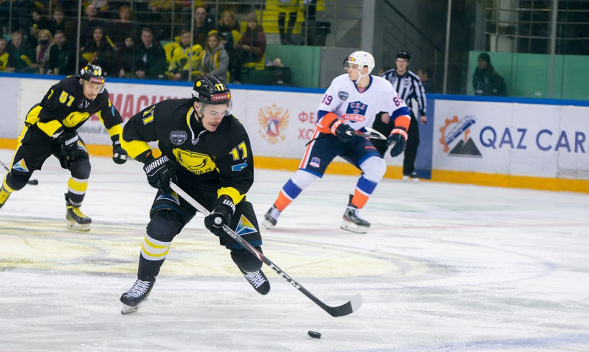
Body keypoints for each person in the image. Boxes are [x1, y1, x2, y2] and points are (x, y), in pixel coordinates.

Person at [118, 74, 270, 313]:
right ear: (197, 105)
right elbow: (128, 134)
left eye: (223, 111)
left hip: (219, 191)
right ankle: (144, 281)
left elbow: (239, 178)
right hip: (181, 184)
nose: (219, 118)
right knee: (160, 227)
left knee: (251, 260)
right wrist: (151, 160)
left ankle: (247, 268)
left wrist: (225, 205)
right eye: (213, 113)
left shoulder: (233, 132)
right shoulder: (167, 114)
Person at [262, 51, 410, 234]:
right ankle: (275, 209)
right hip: (328, 136)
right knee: (306, 177)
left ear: (365, 70)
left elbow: (402, 111)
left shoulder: (383, 87)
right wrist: (338, 126)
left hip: (355, 137)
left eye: (354, 67)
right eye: (349, 65)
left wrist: (400, 130)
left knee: (377, 167)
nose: (349, 69)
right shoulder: (340, 83)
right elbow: (322, 114)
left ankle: (352, 211)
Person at [0, 64, 128, 231]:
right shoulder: (66, 89)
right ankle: (7, 187)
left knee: (82, 165)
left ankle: (73, 208)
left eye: (98, 87)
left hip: (66, 135)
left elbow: (112, 119)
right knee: (17, 181)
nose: (94, 91)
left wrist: (118, 144)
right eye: (90, 86)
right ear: (81, 81)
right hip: (39, 133)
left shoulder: (100, 97)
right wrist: (65, 137)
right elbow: (43, 118)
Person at [372, 50, 428, 181]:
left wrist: (422, 113)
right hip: (386, 112)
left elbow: (420, 95)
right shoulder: (386, 76)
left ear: (407, 63)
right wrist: (383, 111)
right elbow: (377, 94)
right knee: (378, 140)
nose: (401, 63)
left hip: (404, 113)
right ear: (396, 62)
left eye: (403, 61)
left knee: (413, 140)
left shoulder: (413, 79)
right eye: (399, 61)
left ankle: (409, 170)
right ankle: (372, 167)